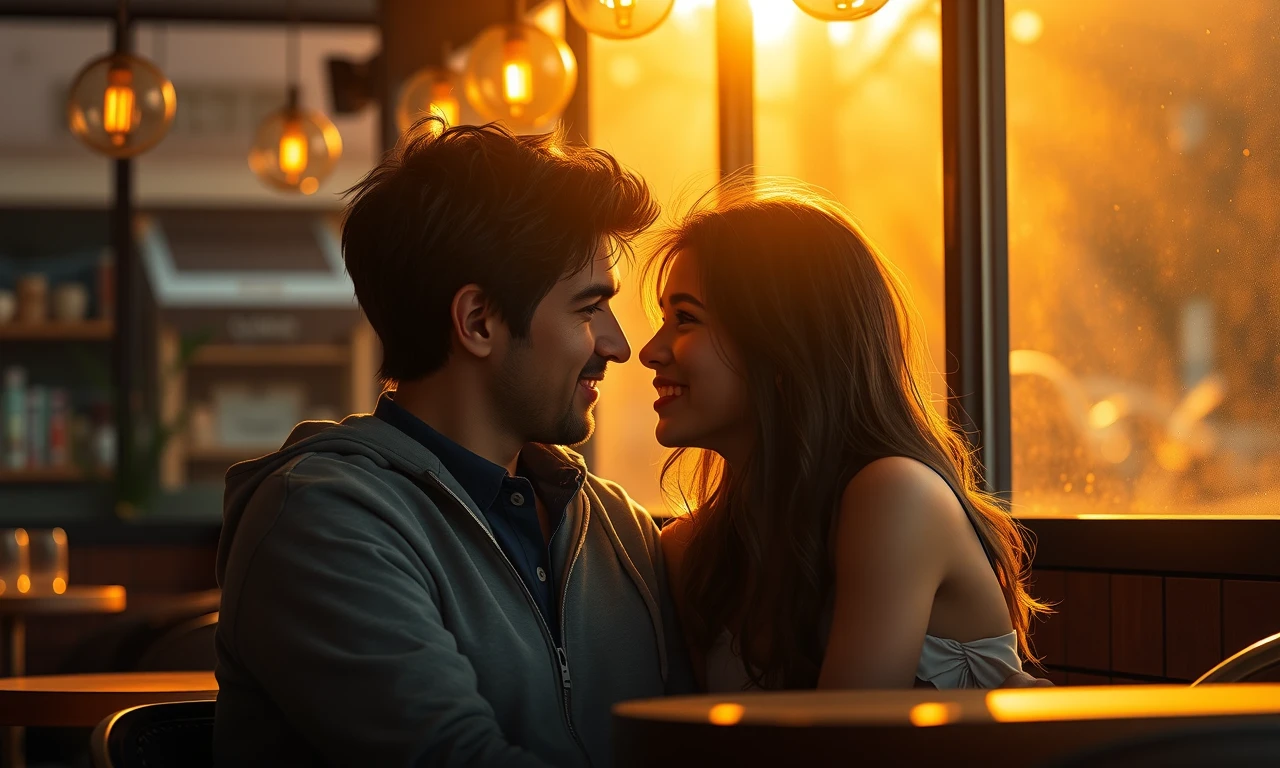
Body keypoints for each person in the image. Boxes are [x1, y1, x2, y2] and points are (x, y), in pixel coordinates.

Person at [213, 117, 691, 767]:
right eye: (587, 309)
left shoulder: (616, 527)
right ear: (477, 322)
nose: (618, 345)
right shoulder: (322, 520)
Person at [643, 179, 1050, 692]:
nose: (650, 351)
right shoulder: (691, 552)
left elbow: (845, 742)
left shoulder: (896, 494)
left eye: (685, 319)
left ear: (782, 343)